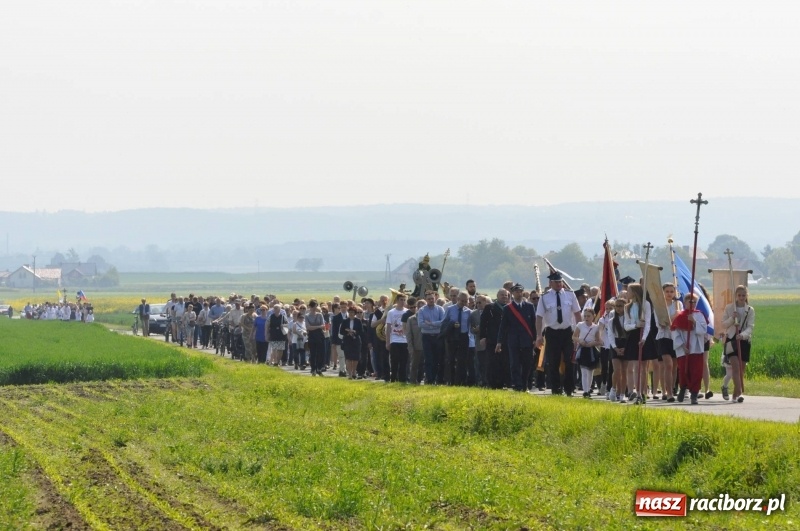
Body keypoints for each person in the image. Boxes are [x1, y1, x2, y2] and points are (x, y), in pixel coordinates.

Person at [536, 272, 582, 396]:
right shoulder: (544, 297)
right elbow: (539, 317)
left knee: (569, 360)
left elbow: (577, 314)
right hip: (552, 332)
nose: (559, 284)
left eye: (560, 281)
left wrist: (580, 332)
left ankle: (569, 388)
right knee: (553, 362)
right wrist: (539, 335)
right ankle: (556, 389)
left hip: (567, 332)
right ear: (550, 283)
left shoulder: (570, 294)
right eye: (556, 282)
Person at [497, 283, 536, 392]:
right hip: (513, 340)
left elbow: (533, 324)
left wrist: (535, 338)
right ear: (512, 293)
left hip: (527, 340)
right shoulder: (508, 308)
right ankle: (518, 386)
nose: (519, 293)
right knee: (514, 364)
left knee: (527, 364)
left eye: (520, 291)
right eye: (516, 291)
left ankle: (524, 385)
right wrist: (499, 341)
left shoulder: (529, 306)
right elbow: (503, 326)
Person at [671, 293, 708, 405]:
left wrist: (694, 322)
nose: (692, 304)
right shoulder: (680, 316)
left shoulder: (699, 315)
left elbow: (703, 330)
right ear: (685, 302)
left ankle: (694, 394)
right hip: (683, 348)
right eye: (689, 301)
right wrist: (682, 346)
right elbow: (675, 332)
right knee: (684, 371)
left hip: (696, 348)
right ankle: (683, 388)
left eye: (694, 302)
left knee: (696, 371)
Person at [721, 285, 755, 403]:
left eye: (743, 295)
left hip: (744, 341)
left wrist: (743, 335)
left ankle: (735, 395)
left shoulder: (750, 310)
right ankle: (739, 391)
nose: (741, 297)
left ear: (746, 296)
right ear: (736, 296)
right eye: (739, 295)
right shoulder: (729, 308)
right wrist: (732, 318)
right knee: (735, 367)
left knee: (741, 369)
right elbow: (724, 324)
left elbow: (750, 327)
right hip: (731, 339)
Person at [623, 283, 654, 402]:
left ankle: (643, 391)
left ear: (635, 292)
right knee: (635, 366)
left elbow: (648, 323)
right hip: (633, 335)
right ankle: (637, 392)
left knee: (643, 367)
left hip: (643, 336)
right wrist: (635, 325)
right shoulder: (627, 307)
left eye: (629, 291)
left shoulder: (645, 304)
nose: (627, 293)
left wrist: (644, 338)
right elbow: (626, 325)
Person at [655, 283, 682, 402]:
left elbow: (680, 320)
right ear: (663, 293)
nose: (670, 294)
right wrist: (673, 317)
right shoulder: (659, 306)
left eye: (672, 291)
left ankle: (672, 388)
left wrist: (678, 316)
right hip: (663, 336)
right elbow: (661, 323)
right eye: (667, 291)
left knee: (675, 366)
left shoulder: (678, 304)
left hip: (675, 337)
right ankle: (668, 392)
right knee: (668, 365)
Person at [481, 289, 508, 389]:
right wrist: (483, 337)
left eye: (506, 295)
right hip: (492, 339)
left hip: (505, 340)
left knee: (503, 362)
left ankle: (502, 382)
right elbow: (483, 323)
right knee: (492, 362)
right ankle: (491, 383)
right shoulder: (490, 307)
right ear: (497, 296)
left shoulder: (509, 308)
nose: (504, 297)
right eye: (502, 295)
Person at [443, 291, 471, 386]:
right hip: (452, 336)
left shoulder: (468, 311)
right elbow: (444, 322)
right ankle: (451, 380)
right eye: (462, 301)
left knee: (462, 360)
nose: (463, 303)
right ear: (458, 299)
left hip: (463, 336)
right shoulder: (450, 309)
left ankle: (461, 381)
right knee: (451, 359)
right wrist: (452, 325)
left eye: (465, 301)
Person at [573, 308, 601, 398]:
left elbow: (599, 340)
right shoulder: (580, 325)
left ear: (594, 316)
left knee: (590, 372)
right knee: (584, 371)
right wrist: (580, 341)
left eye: (588, 316)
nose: (586, 318)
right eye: (585, 316)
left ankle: (588, 389)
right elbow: (574, 336)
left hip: (591, 350)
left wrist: (593, 343)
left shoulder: (596, 327)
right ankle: (585, 391)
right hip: (582, 349)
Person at [418, 291, 445, 385]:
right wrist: (435, 325)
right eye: (429, 299)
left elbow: (443, 323)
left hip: (438, 337)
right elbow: (421, 324)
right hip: (426, 337)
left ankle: (437, 379)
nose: (430, 300)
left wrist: (431, 323)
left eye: (432, 299)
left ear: (435, 298)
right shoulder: (421, 310)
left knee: (438, 359)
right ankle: (429, 380)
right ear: (426, 299)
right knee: (428, 359)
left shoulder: (440, 309)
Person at [385, 293, 410, 383]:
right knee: (394, 361)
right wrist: (388, 342)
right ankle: (393, 379)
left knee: (404, 361)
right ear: (397, 300)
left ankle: (402, 379)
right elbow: (388, 328)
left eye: (404, 300)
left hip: (405, 340)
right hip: (395, 340)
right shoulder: (391, 312)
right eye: (401, 300)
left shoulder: (407, 312)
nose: (403, 302)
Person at [339, 306, 364, 379]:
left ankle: (354, 371)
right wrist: (347, 333)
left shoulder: (358, 321)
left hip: (356, 341)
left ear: (355, 313)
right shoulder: (345, 321)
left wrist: (354, 332)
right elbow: (341, 331)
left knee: (355, 358)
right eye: (349, 312)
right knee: (348, 358)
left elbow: (361, 331)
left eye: (352, 312)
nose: (351, 314)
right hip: (347, 341)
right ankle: (349, 373)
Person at [306, 300, 326, 376]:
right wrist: (318, 327)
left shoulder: (320, 315)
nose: (315, 308)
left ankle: (319, 368)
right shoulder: (307, 316)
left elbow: (323, 325)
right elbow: (308, 327)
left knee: (321, 353)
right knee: (313, 353)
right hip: (312, 336)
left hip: (320, 335)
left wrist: (314, 327)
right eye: (313, 306)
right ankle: (313, 368)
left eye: (316, 306)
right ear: (310, 307)